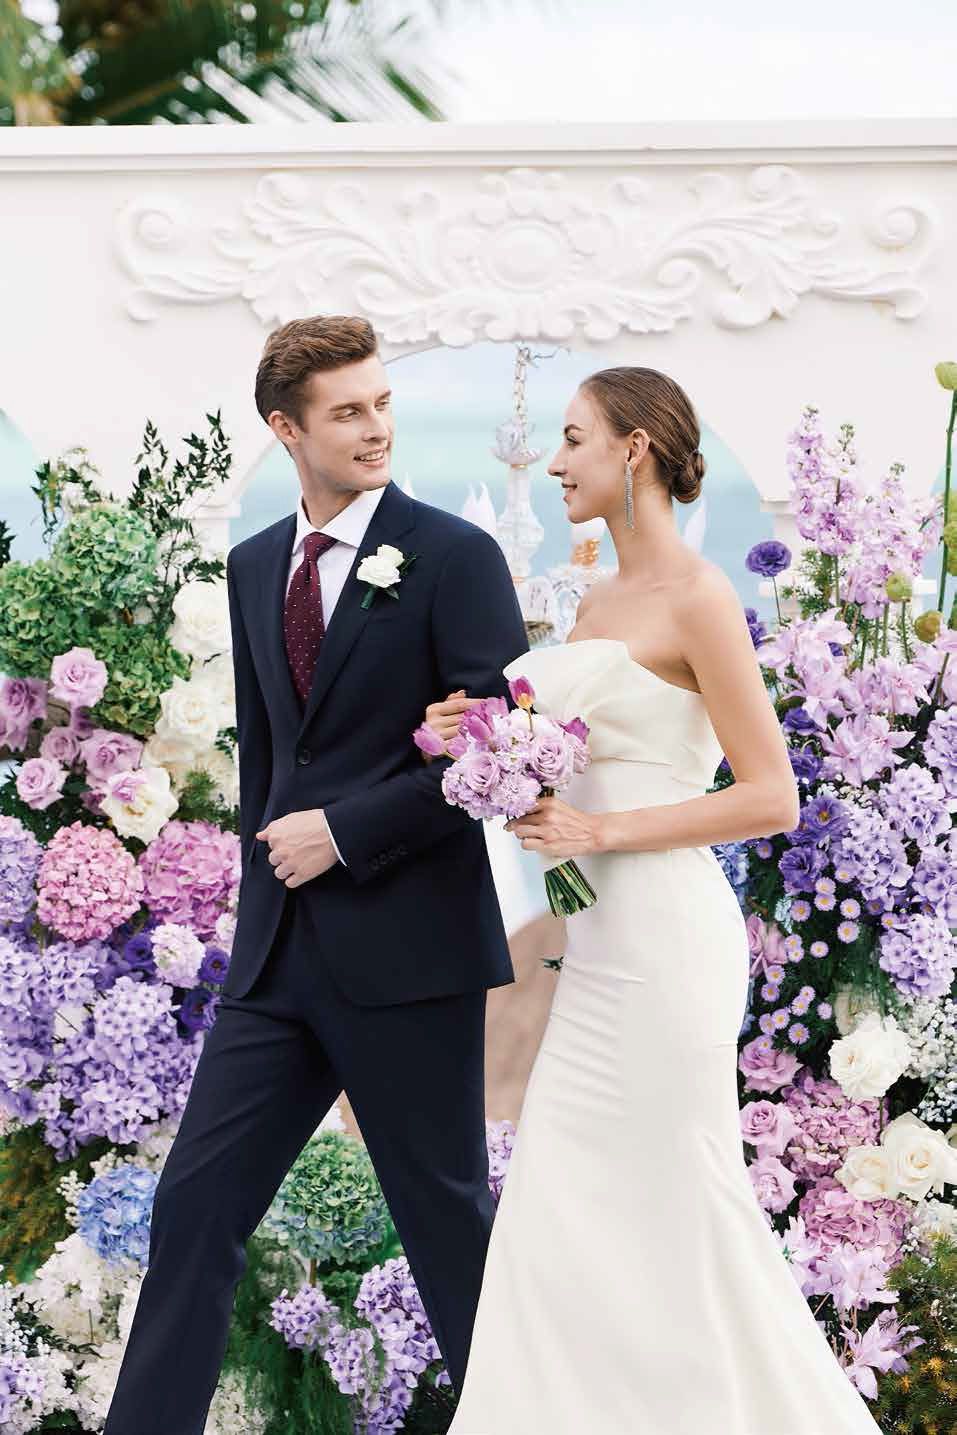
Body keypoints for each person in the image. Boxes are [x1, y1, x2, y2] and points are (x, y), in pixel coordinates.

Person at [424, 367, 885, 1434]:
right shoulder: (594, 599)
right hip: (593, 947)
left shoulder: (700, 596)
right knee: (563, 1210)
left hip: (669, 941)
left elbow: (770, 795)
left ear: (635, 448)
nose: (554, 462)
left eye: (576, 438)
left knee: (679, 1203)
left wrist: (604, 830)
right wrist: (483, 736)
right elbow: (582, 755)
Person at [103, 314, 528, 1435]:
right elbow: (271, 766)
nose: (375, 427)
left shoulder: (454, 556)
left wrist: (345, 830)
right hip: (277, 960)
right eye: (347, 411)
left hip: (410, 953)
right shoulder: (254, 568)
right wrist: (272, 882)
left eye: (383, 403)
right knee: (194, 1206)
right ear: (287, 428)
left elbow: (498, 751)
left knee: (447, 1230)